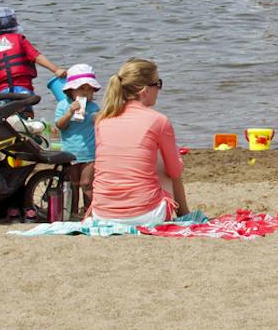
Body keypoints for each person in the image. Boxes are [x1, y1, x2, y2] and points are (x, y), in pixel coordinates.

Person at [89, 58, 189, 224]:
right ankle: (184, 213)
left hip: (102, 213)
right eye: (158, 84)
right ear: (145, 90)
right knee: (164, 161)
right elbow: (175, 171)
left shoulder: (102, 120)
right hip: (145, 214)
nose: (159, 89)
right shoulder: (158, 120)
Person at [0, 7, 61, 98]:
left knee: (4, 111)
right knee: (26, 111)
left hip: (2, 94)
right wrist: (56, 70)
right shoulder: (20, 40)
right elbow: (37, 57)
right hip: (23, 90)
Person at [53, 63, 102, 212]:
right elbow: (60, 125)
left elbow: (101, 127)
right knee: (73, 184)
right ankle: (73, 211)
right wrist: (69, 113)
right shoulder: (63, 105)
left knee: (87, 183)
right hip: (71, 152)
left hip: (90, 152)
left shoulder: (93, 107)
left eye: (89, 89)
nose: (85, 92)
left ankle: (90, 211)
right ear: (70, 90)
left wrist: (99, 119)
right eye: (81, 88)